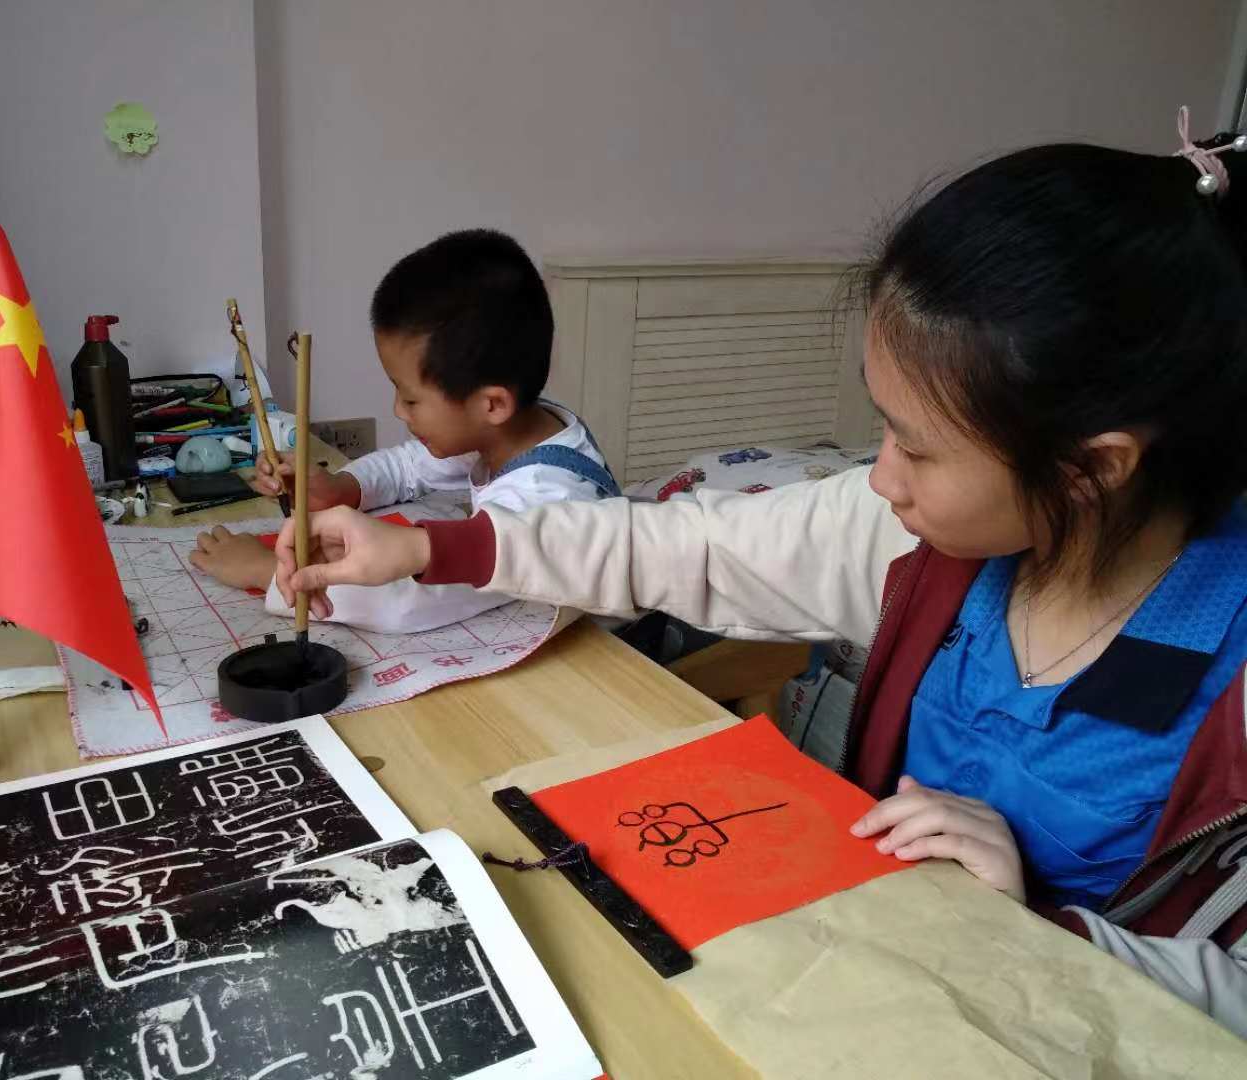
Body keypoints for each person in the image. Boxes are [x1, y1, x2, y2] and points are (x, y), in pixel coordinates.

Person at [270, 112, 1247, 1033]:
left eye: (918, 448)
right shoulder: (915, 537)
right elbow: (681, 545)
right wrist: (425, 548)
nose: (881, 478)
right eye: (881, 429)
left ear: (1089, 469)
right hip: (875, 970)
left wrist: (1041, 926)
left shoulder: (1226, 677)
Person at [190, 228, 618, 632]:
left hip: (595, 658)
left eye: (410, 399)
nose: (397, 410)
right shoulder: (506, 429)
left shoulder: (544, 498)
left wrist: (266, 570)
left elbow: (408, 601)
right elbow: (409, 466)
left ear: (492, 403)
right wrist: (342, 488)